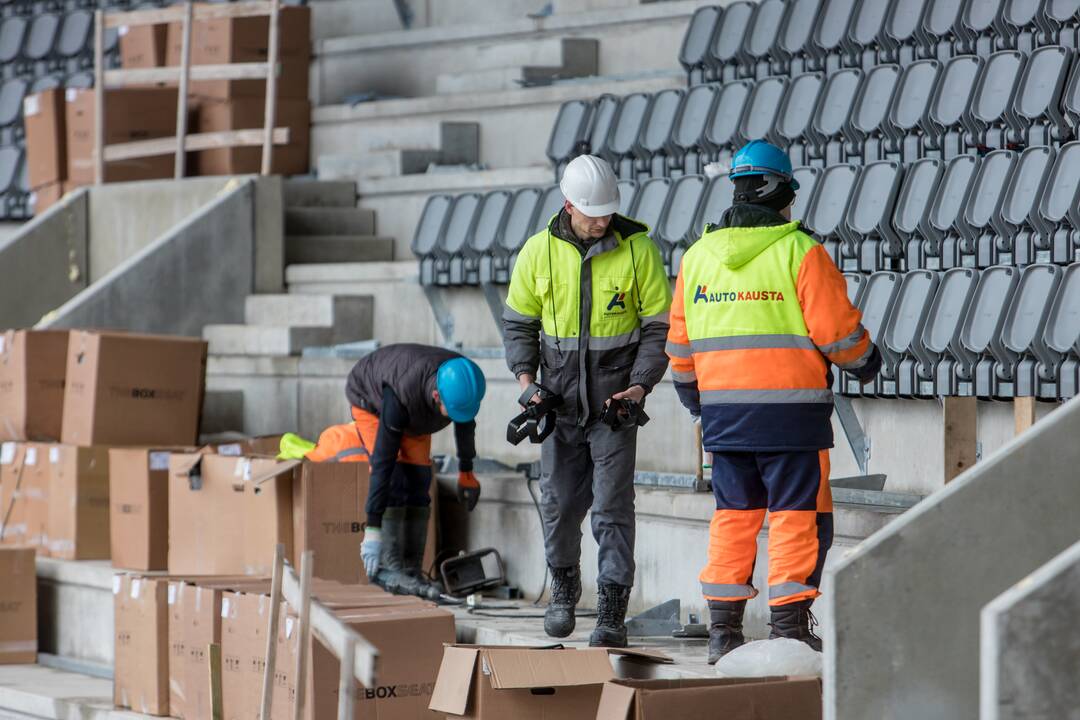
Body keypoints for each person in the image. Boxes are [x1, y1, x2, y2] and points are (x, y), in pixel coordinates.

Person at [666, 140, 882, 663]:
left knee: (733, 518)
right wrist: (866, 359)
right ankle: (788, 629)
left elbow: (679, 345)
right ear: (783, 191)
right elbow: (838, 335)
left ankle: (723, 632)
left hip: (724, 417)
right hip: (792, 418)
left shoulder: (697, 257)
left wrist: (700, 400)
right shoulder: (800, 251)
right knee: (794, 516)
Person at [502, 154, 672, 647]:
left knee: (612, 507)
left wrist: (639, 386)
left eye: (606, 212)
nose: (601, 221)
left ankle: (612, 611)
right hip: (557, 405)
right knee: (558, 503)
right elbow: (519, 324)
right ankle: (563, 590)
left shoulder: (638, 249)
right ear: (568, 204)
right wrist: (526, 381)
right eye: (592, 213)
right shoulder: (538, 251)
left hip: (614, 407)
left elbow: (658, 326)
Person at [306, 343, 486, 598]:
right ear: (437, 396)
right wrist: (372, 529)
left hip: (417, 413)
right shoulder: (402, 395)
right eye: (453, 411)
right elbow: (383, 464)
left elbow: (465, 425)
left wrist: (466, 473)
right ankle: (391, 571)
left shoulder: (463, 381)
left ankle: (412, 573)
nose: (458, 417)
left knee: (420, 479)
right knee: (395, 477)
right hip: (371, 399)